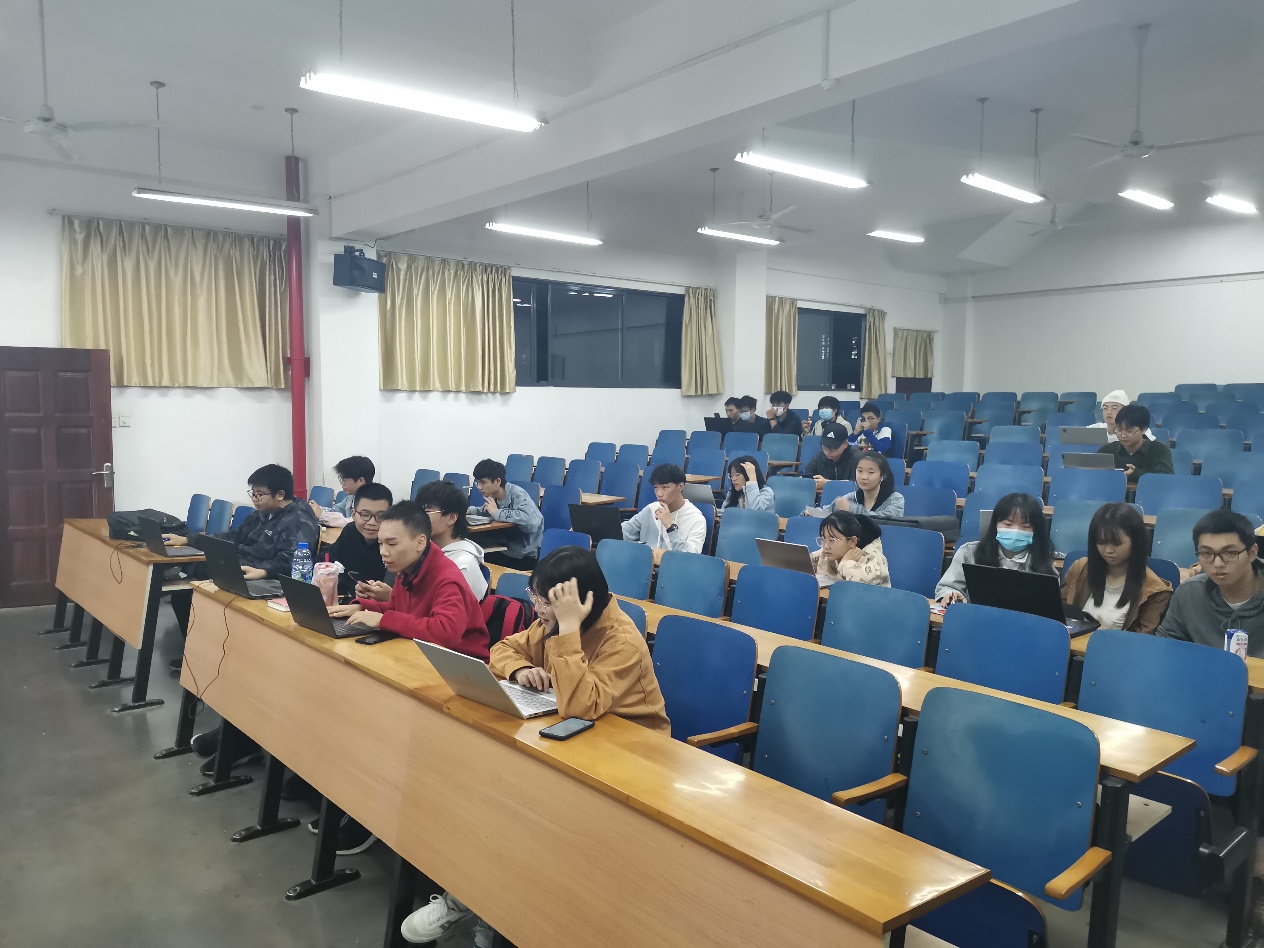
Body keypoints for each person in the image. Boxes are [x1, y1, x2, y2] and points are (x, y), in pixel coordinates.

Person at [402, 547, 669, 946]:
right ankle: (477, 896)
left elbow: (581, 704)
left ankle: (492, 906)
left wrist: (568, 630)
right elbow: (502, 649)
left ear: (578, 602)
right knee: (491, 791)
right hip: (573, 739)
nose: (538, 609)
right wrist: (521, 668)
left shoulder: (621, 639)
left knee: (527, 812)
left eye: (546, 601)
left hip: (631, 760)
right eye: (535, 597)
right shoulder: (552, 623)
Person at [331, 501, 490, 658]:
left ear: (420, 542)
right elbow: (398, 609)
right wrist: (363, 607)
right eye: (380, 543)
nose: (383, 552)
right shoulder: (407, 568)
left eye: (391, 544)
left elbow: (446, 633)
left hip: (458, 663)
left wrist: (383, 620)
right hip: (419, 652)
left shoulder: (447, 579)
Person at [166, 463, 318, 580]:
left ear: (280, 495)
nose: (254, 499)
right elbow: (233, 537)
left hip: (265, 574)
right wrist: (188, 539)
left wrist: (264, 571)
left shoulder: (300, 520)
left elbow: (291, 561)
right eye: (253, 493)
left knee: (207, 569)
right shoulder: (261, 514)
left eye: (260, 494)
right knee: (202, 566)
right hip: (245, 563)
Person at [1157, 510, 1264, 653]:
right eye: (1207, 553)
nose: (1218, 564)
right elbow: (1166, 647)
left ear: (1252, 553)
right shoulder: (1189, 594)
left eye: (1230, 553)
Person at [1061, 502, 1172, 633]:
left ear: (1135, 541)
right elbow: (1059, 613)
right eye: (1101, 542)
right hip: (1073, 643)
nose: (1108, 550)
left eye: (1116, 543)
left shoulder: (1156, 591)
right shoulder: (1080, 569)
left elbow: (1141, 638)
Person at [936, 492, 1057, 603]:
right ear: (995, 524)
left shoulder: (1042, 562)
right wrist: (952, 594)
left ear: (1036, 531)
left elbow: (1050, 604)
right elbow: (947, 587)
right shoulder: (969, 552)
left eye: (1025, 526)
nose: (1015, 531)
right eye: (1008, 524)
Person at [415, 478, 488, 600]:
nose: (418, 518)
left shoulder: (462, 566)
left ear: (452, 518)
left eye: (427, 512)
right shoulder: (426, 551)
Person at [470, 459, 544, 569]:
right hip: (505, 548)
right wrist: (470, 511)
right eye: (478, 483)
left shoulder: (517, 494)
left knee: (477, 560)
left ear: (497, 481)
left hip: (523, 555)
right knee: (473, 553)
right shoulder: (495, 496)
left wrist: (497, 513)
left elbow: (530, 521)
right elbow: (489, 510)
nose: (479, 487)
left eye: (483, 482)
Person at [325, 482, 392, 599]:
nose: (372, 522)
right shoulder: (350, 532)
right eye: (365, 515)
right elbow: (330, 560)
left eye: (381, 516)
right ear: (353, 514)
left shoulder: (394, 545)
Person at [621, 463, 707, 553]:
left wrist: (670, 527)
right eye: (656, 487)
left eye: (665, 487)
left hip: (673, 562)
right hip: (645, 560)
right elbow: (623, 532)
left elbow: (690, 557)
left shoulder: (696, 519)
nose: (659, 494)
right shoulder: (651, 509)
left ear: (680, 486)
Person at [1097, 403, 1173, 484]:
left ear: (1143, 429)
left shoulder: (1159, 450)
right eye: (1119, 430)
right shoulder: (1107, 450)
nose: (1123, 435)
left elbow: (1165, 479)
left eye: (1129, 431)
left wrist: (1136, 474)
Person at [811, 511, 890, 586]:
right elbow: (806, 562)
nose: (826, 546)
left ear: (852, 541)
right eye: (823, 539)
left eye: (832, 540)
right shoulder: (828, 552)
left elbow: (865, 583)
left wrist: (845, 563)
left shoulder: (874, 558)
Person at [310, 455, 376, 528]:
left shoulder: (373, 500)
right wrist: (313, 509)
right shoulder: (351, 498)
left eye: (344, 480)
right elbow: (335, 510)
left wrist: (322, 515)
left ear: (360, 481)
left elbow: (354, 523)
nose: (342, 484)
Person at [832, 453, 904, 519]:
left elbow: (885, 521)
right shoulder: (850, 498)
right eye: (860, 471)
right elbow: (826, 513)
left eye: (871, 472)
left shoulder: (895, 499)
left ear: (883, 475)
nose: (864, 477)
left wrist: (851, 509)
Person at [802, 423, 862, 490]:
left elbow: (857, 484)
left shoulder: (857, 458)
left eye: (833, 448)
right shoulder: (821, 455)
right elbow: (806, 473)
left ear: (845, 444)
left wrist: (828, 484)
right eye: (825, 447)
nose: (828, 452)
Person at [1087, 390, 1154, 443]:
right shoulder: (1093, 429)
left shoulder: (1137, 431)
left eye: (1114, 408)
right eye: (1105, 408)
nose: (1109, 412)